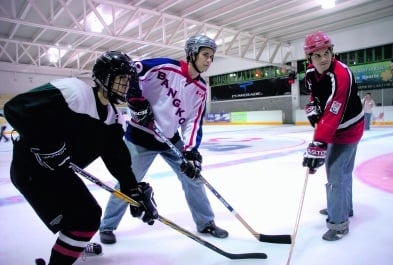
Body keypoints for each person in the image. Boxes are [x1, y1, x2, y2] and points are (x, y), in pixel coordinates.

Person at [4, 51, 158, 265]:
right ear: (104, 77)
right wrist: (50, 147)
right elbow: (16, 109)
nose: (126, 85)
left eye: (128, 79)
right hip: (32, 171)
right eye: (121, 78)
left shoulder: (114, 119)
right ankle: (68, 249)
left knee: (87, 216)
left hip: (58, 173)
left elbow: (117, 160)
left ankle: (75, 244)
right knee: (83, 219)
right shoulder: (73, 91)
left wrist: (133, 190)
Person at [99, 34, 229, 244]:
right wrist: (137, 102)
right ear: (192, 53)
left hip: (170, 139)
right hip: (140, 137)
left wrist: (191, 151)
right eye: (205, 55)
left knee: (193, 177)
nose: (209, 61)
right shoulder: (164, 66)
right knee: (127, 182)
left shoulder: (201, 89)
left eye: (212, 57)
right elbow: (131, 70)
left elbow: (193, 122)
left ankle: (205, 222)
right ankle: (107, 226)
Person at [302, 31, 364, 241]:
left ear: (332, 51)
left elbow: (333, 112)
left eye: (327, 52)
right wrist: (312, 106)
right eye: (317, 55)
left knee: (336, 172)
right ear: (309, 58)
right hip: (335, 128)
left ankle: (339, 224)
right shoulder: (311, 72)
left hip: (349, 128)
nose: (324, 58)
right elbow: (315, 94)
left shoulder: (342, 75)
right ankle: (343, 208)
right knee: (342, 171)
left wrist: (318, 143)